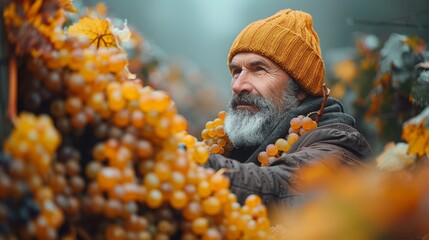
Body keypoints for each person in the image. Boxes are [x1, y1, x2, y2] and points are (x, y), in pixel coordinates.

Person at [204, 9, 373, 206]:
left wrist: (197, 165)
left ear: (299, 88)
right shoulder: (235, 145)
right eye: (236, 71)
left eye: (259, 69)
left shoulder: (338, 145)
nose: (238, 85)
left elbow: (281, 188)